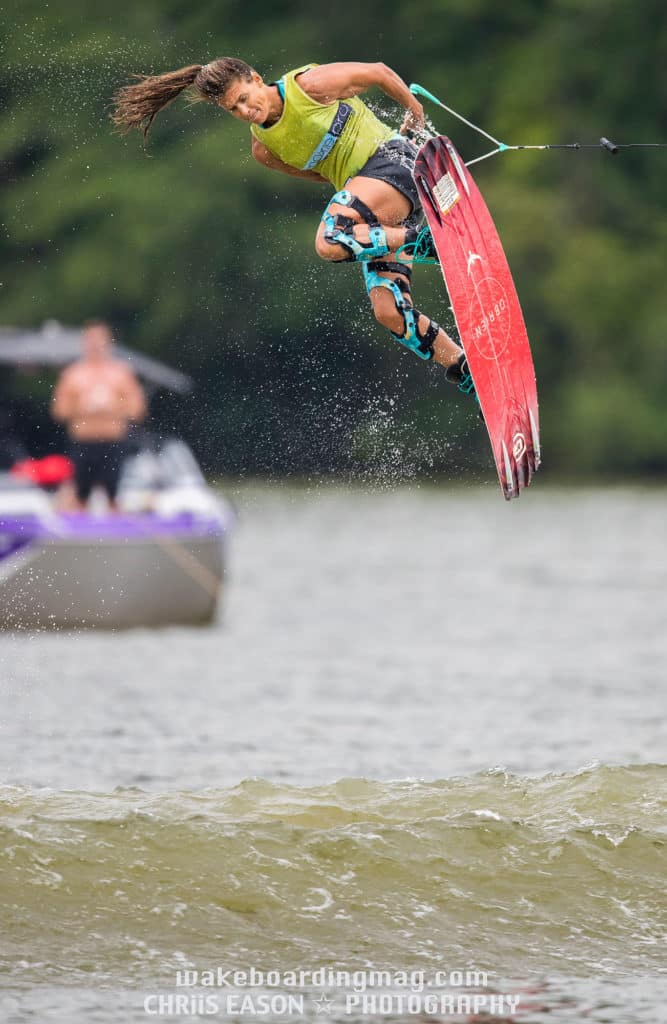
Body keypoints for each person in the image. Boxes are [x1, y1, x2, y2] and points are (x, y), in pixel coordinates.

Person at [111, 59, 476, 396]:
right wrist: (356, 198)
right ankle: (465, 369)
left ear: (255, 79)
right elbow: (322, 175)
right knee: (389, 312)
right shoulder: (264, 150)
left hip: (394, 162)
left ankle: (426, 244)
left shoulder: (310, 86)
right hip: (376, 210)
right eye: (232, 110)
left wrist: (414, 114)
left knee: (330, 240)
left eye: (243, 98)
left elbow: (378, 72)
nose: (244, 111)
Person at [51, 320, 147, 510]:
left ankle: (118, 536)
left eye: (99, 341)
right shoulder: (73, 374)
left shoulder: (121, 373)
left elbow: (138, 410)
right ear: (84, 344)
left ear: (108, 343)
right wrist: (83, 406)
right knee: (80, 495)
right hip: (83, 443)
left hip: (113, 442)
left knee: (113, 495)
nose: (95, 346)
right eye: (91, 341)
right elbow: (59, 412)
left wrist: (111, 406)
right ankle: (79, 536)